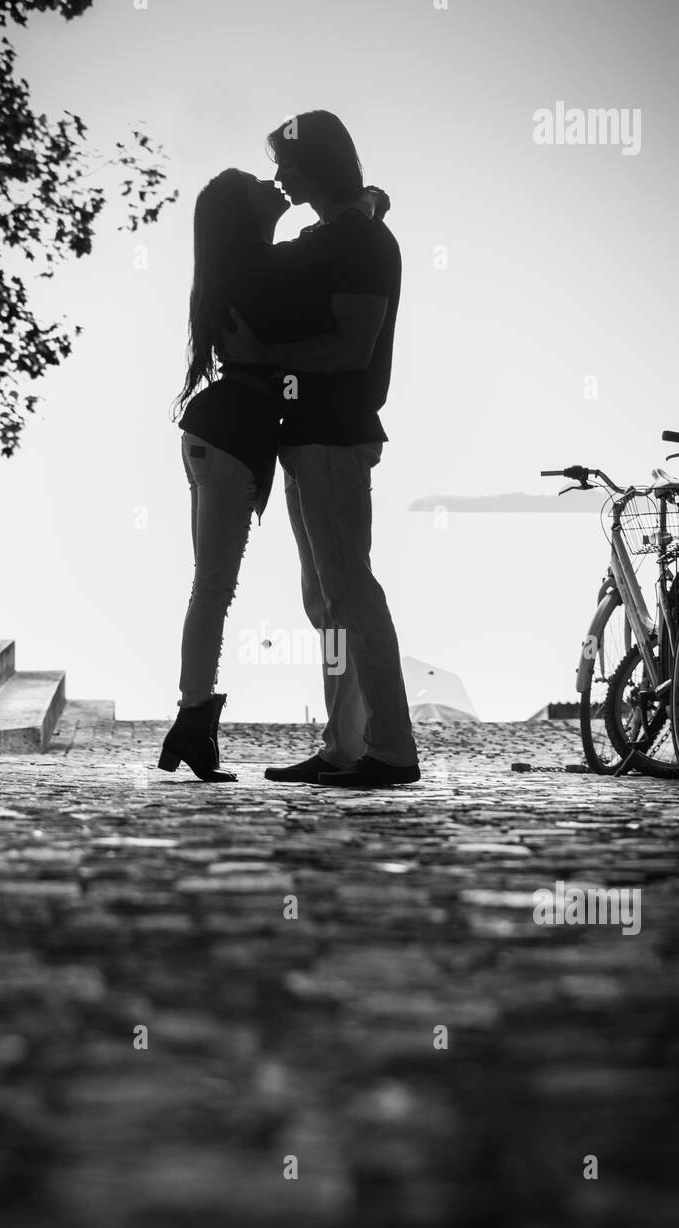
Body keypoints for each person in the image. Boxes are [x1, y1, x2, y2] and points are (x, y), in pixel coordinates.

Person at [160, 168, 386, 783]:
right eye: (257, 184)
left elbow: (316, 247)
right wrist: (366, 210)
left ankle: (193, 719)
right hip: (228, 439)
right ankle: (192, 718)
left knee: (209, 588)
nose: (273, 183)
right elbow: (319, 251)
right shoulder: (260, 270)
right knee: (214, 588)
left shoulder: (237, 268)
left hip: (213, 437)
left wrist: (364, 212)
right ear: (244, 213)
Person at [223, 111, 420, 788]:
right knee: (326, 600)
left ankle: (392, 752)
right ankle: (345, 746)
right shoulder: (339, 233)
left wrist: (260, 353)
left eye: (289, 163)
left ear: (320, 165)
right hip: (307, 436)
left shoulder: (362, 242)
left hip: (336, 433)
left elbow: (350, 347)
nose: (280, 175)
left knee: (351, 593)